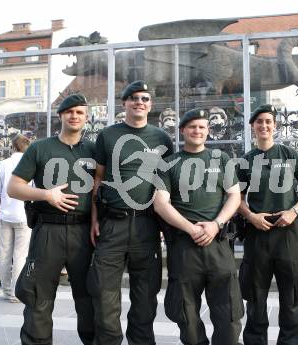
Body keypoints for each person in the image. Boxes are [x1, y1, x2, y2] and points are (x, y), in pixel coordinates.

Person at [89, 80, 174, 345]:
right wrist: (93, 219)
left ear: (151, 105)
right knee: (104, 293)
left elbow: (165, 184)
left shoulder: (162, 138)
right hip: (112, 223)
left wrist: (164, 226)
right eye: (134, 97)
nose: (140, 102)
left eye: (145, 98)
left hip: (147, 226)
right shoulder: (107, 135)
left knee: (146, 295)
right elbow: (97, 180)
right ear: (124, 103)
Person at [7, 94, 95, 345]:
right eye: (69, 112)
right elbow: (14, 187)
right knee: (38, 298)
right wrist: (46, 194)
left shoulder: (94, 150)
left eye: (79, 112)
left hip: (84, 232)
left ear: (86, 117)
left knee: (90, 298)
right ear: (61, 116)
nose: (74, 116)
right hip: (48, 231)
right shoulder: (40, 148)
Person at [153, 108, 244, 345]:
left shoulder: (221, 159)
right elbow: (161, 204)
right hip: (184, 247)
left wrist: (216, 224)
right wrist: (190, 228)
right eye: (192, 126)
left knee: (229, 311)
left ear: (207, 130)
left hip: (218, 244)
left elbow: (234, 196)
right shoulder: (168, 164)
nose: (197, 131)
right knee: (186, 313)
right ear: (182, 130)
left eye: (202, 127)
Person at [237, 104, 298, 345]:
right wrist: (251, 216)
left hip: (288, 231)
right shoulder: (246, 161)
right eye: (259, 122)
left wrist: (293, 212)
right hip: (258, 232)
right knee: (255, 295)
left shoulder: (290, 155)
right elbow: (236, 198)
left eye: (268, 121)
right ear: (252, 127)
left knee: (291, 296)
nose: (264, 126)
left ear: (275, 126)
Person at [0, 134, 32, 302]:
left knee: (4, 254)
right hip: (23, 215)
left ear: (13, 147)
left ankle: (7, 290)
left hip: (5, 215)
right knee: (20, 255)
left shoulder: (2, 164)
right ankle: (16, 293)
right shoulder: (31, 163)